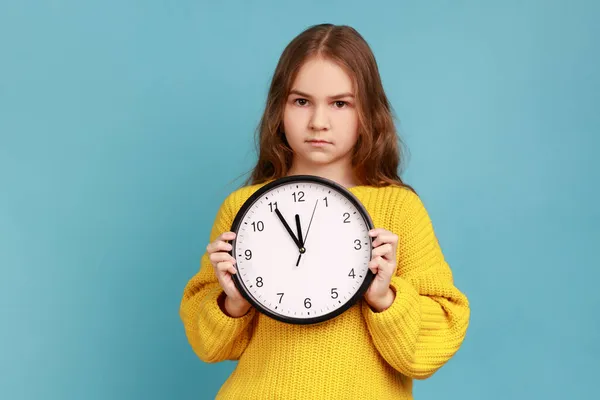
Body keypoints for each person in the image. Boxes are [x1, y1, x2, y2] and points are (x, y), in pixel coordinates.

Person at [180, 23, 470, 399]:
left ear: (367, 111)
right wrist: (232, 301)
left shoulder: (399, 208)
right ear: (279, 109)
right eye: (301, 101)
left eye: (340, 103)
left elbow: (436, 341)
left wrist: (385, 297)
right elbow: (210, 346)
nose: (319, 121)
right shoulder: (243, 208)